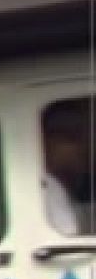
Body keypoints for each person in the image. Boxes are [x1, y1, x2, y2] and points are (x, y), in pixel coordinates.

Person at [42, 98, 93, 237]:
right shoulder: (48, 187)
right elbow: (69, 237)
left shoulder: (78, 184)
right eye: (71, 139)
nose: (80, 148)